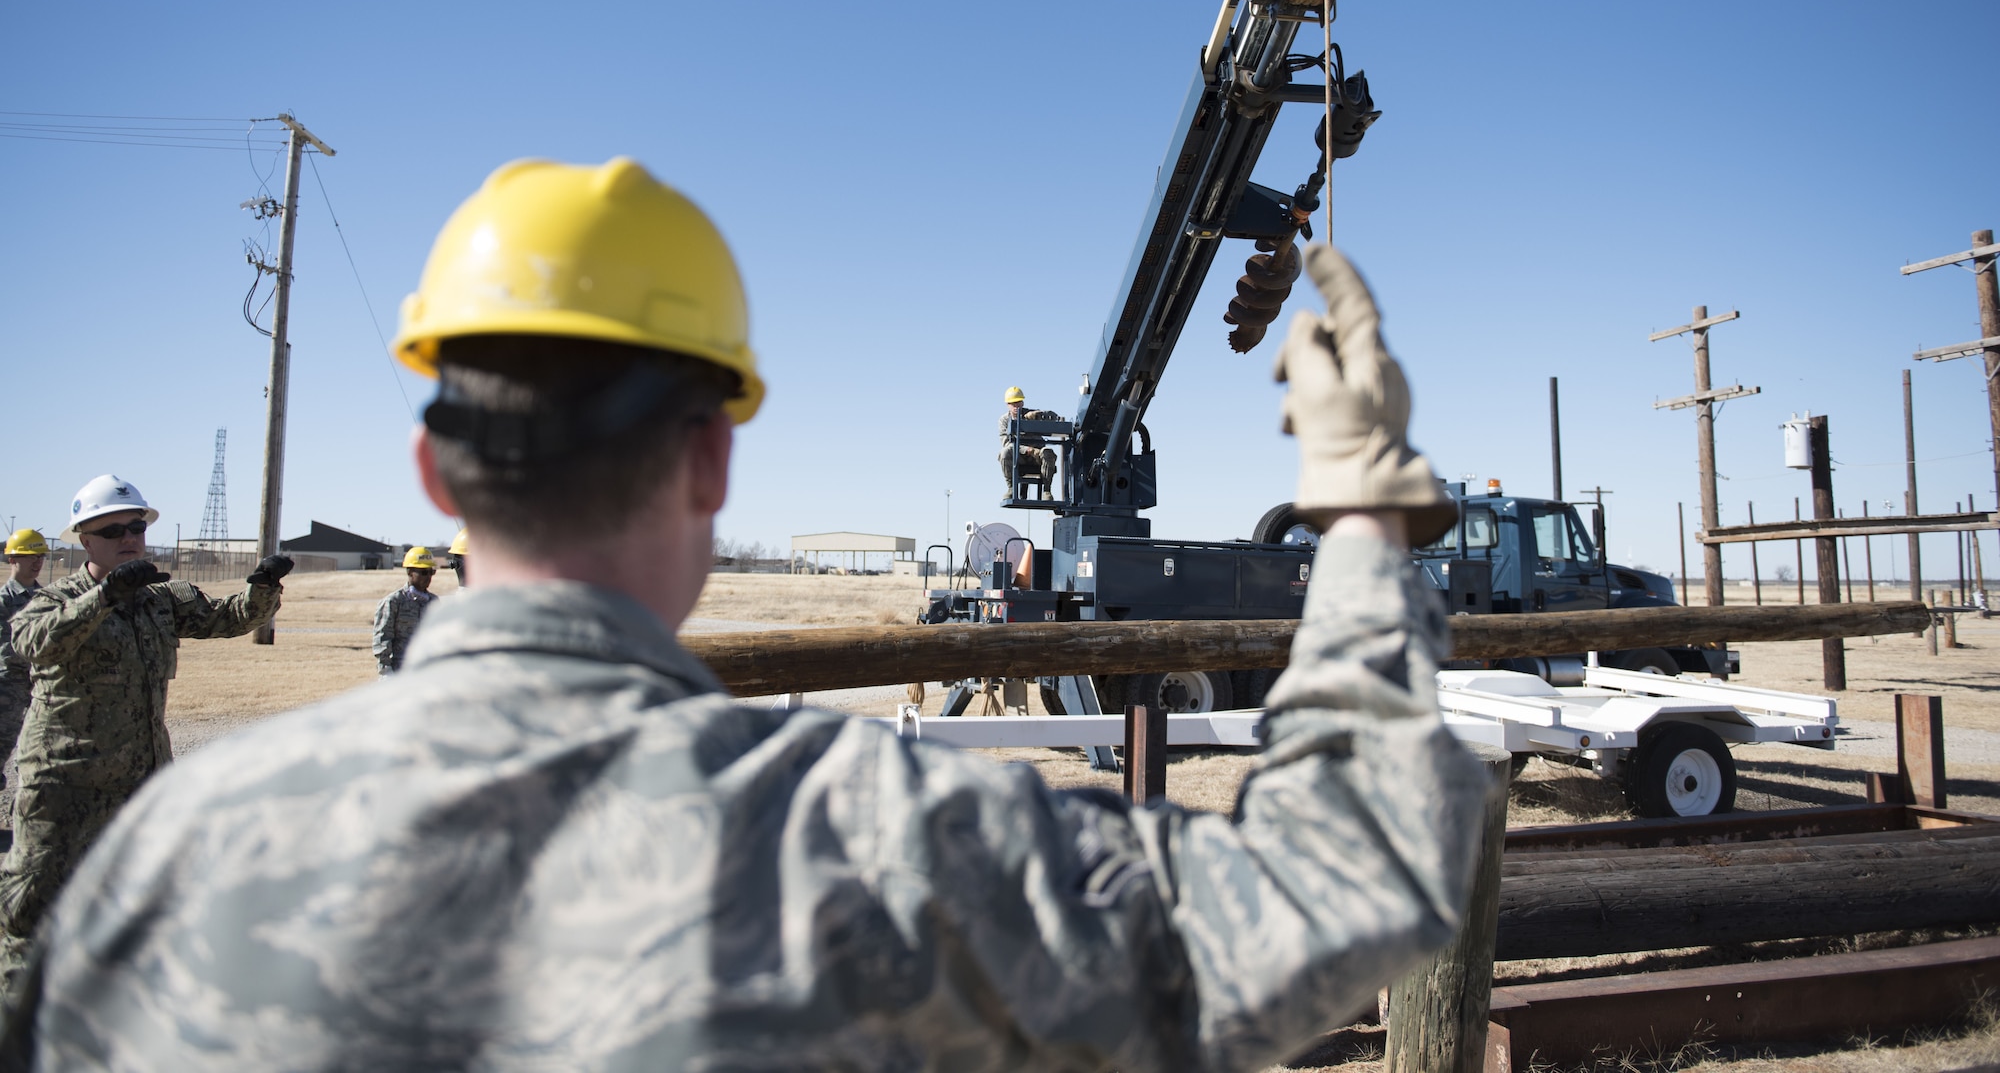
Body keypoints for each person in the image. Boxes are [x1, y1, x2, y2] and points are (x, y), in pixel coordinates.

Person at [0, 159, 1482, 1070]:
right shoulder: (885, 842)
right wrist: (1358, 512)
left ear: (433, 469)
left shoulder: (165, 869)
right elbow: (1334, 888)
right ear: (715, 456)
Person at [0, 475, 289, 990]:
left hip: (141, 789)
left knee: (137, 917)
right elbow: (32, 641)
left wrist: (262, 586)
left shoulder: (160, 599)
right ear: (85, 541)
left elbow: (228, 618)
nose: (129, 536)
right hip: (66, 787)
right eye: (113, 530)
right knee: (32, 919)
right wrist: (105, 597)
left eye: (136, 526)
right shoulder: (57, 599)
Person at [0, 532, 47, 827]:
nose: (38, 563)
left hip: (39, 688)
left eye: (41, 556)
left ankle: (23, 823)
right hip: (6, 687)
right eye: (31, 556)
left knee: (34, 758)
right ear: (12, 559)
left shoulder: (47, 599)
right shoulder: (3, 601)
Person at [372, 546, 438, 673]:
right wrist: (385, 671)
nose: (428, 576)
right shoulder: (393, 602)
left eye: (431, 572)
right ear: (410, 572)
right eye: (424, 572)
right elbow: (382, 638)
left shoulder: (434, 602)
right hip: (399, 671)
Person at [997, 384, 1061, 494]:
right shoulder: (1004, 420)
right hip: (1019, 456)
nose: (1016, 406)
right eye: (1013, 403)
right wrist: (1026, 450)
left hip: (1037, 456)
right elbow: (1006, 443)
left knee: (1048, 453)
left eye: (1018, 402)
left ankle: (1046, 490)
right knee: (1004, 453)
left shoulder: (1031, 414)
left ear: (1022, 402)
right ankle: (1012, 488)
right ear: (1008, 404)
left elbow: (1054, 417)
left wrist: (1039, 415)